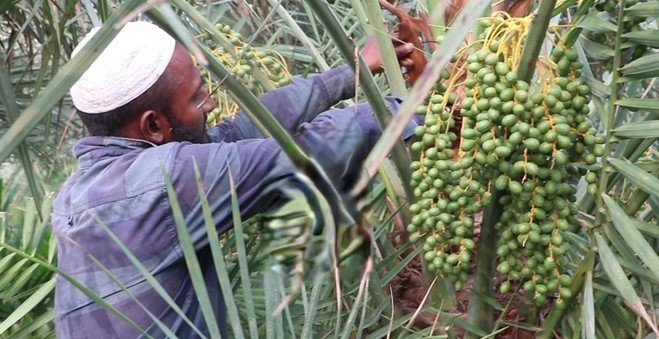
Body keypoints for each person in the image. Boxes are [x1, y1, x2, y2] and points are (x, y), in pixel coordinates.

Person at [52, 21, 419, 338]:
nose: (211, 104)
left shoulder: (83, 190)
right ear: (153, 125)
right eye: (197, 98)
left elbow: (240, 130)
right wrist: (423, 103)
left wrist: (349, 73)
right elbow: (310, 154)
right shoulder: (163, 184)